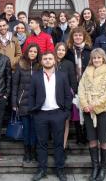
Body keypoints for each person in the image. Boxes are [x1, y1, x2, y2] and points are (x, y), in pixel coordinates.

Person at [29, 51, 72, 181]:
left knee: (58, 143)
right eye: (45, 59)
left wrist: (66, 112)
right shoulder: (35, 76)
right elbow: (31, 95)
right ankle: (42, 170)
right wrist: (33, 112)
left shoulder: (62, 76)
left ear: (55, 61)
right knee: (41, 144)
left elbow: (67, 95)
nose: (48, 60)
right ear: (41, 61)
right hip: (40, 114)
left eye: (50, 59)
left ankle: (60, 170)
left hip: (58, 114)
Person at [78, 48, 106, 181]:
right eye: (94, 58)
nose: (96, 60)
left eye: (99, 58)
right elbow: (81, 88)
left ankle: (103, 168)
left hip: (104, 110)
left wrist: (94, 106)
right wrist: (84, 105)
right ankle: (95, 167)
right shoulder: (87, 71)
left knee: (103, 139)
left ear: (104, 58)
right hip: (88, 110)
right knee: (92, 139)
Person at [12, 43, 41, 163]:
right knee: (27, 129)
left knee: (35, 130)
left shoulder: (40, 66)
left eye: (35, 52)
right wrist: (14, 102)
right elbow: (15, 85)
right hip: (23, 103)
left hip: (37, 104)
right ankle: (27, 152)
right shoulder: (20, 65)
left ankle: (34, 152)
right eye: (31, 51)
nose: (33, 53)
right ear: (27, 52)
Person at [65, 27, 92, 144]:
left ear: (84, 37)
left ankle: (87, 135)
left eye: (80, 35)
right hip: (73, 84)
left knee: (86, 110)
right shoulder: (68, 51)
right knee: (75, 111)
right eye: (75, 35)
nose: (78, 37)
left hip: (87, 85)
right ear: (72, 37)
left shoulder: (89, 50)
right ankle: (79, 136)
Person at [55, 42, 77, 154]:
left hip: (66, 97)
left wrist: (74, 94)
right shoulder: (50, 61)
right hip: (52, 97)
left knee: (66, 122)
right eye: (59, 50)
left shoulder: (69, 64)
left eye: (63, 50)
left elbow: (73, 80)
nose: (61, 52)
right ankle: (56, 146)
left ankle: (62, 147)